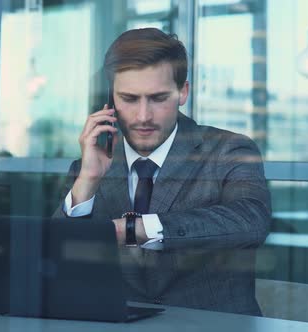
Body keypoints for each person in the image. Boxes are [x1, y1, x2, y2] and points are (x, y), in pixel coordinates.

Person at [53, 28, 271, 316]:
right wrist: (88, 181)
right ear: (111, 99)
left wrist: (134, 229)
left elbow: (250, 220)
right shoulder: (88, 166)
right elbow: (55, 259)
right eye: (129, 99)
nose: (143, 116)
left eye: (157, 98)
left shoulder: (230, 150)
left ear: (183, 92)